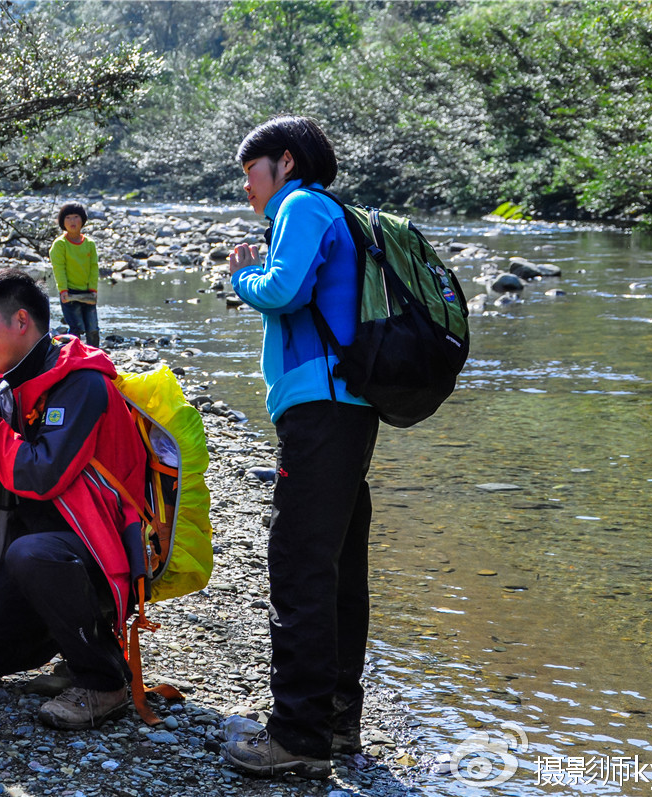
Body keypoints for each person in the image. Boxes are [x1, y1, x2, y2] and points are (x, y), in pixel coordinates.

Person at [219, 116, 378, 779]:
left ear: (284, 162)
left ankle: (297, 736)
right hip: (345, 407)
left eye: (250, 172)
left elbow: (285, 289)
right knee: (336, 566)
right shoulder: (330, 211)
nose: (247, 187)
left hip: (322, 407)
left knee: (300, 564)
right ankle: (336, 721)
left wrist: (242, 278)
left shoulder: (302, 205)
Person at [0, 268, 147, 731]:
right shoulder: (9, 389)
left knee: (33, 552)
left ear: (21, 321)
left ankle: (104, 681)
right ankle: (69, 636)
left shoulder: (81, 383)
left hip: (99, 553)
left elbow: (41, 476)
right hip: (38, 559)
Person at [49, 202, 101, 347]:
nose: (72, 221)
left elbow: (94, 267)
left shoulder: (89, 244)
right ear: (62, 222)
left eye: (76, 217)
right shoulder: (60, 244)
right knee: (76, 329)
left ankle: (94, 354)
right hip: (69, 293)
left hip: (87, 292)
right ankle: (73, 355)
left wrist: (93, 289)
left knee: (93, 329)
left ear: (82, 220)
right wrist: (63, 290)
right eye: (68, 218)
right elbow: (59, 268)